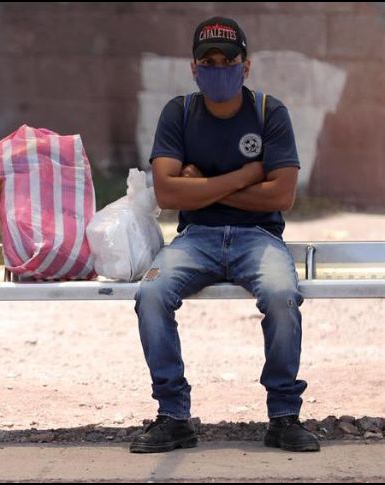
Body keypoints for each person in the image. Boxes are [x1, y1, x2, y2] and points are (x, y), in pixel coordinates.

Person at [130, 16, 320, 453]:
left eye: (228, 60)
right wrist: (247, 176)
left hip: (259, 238)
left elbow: (284, 195)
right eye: (208, 61)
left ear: (246, 66)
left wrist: (202, 186)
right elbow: (167, 190)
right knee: (151, 295)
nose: (219, 68)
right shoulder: (178, 113)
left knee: (281, 295)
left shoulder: (270, 112)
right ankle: (174, 416)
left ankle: (284, 416)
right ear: (194, 68)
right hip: (196, 237)